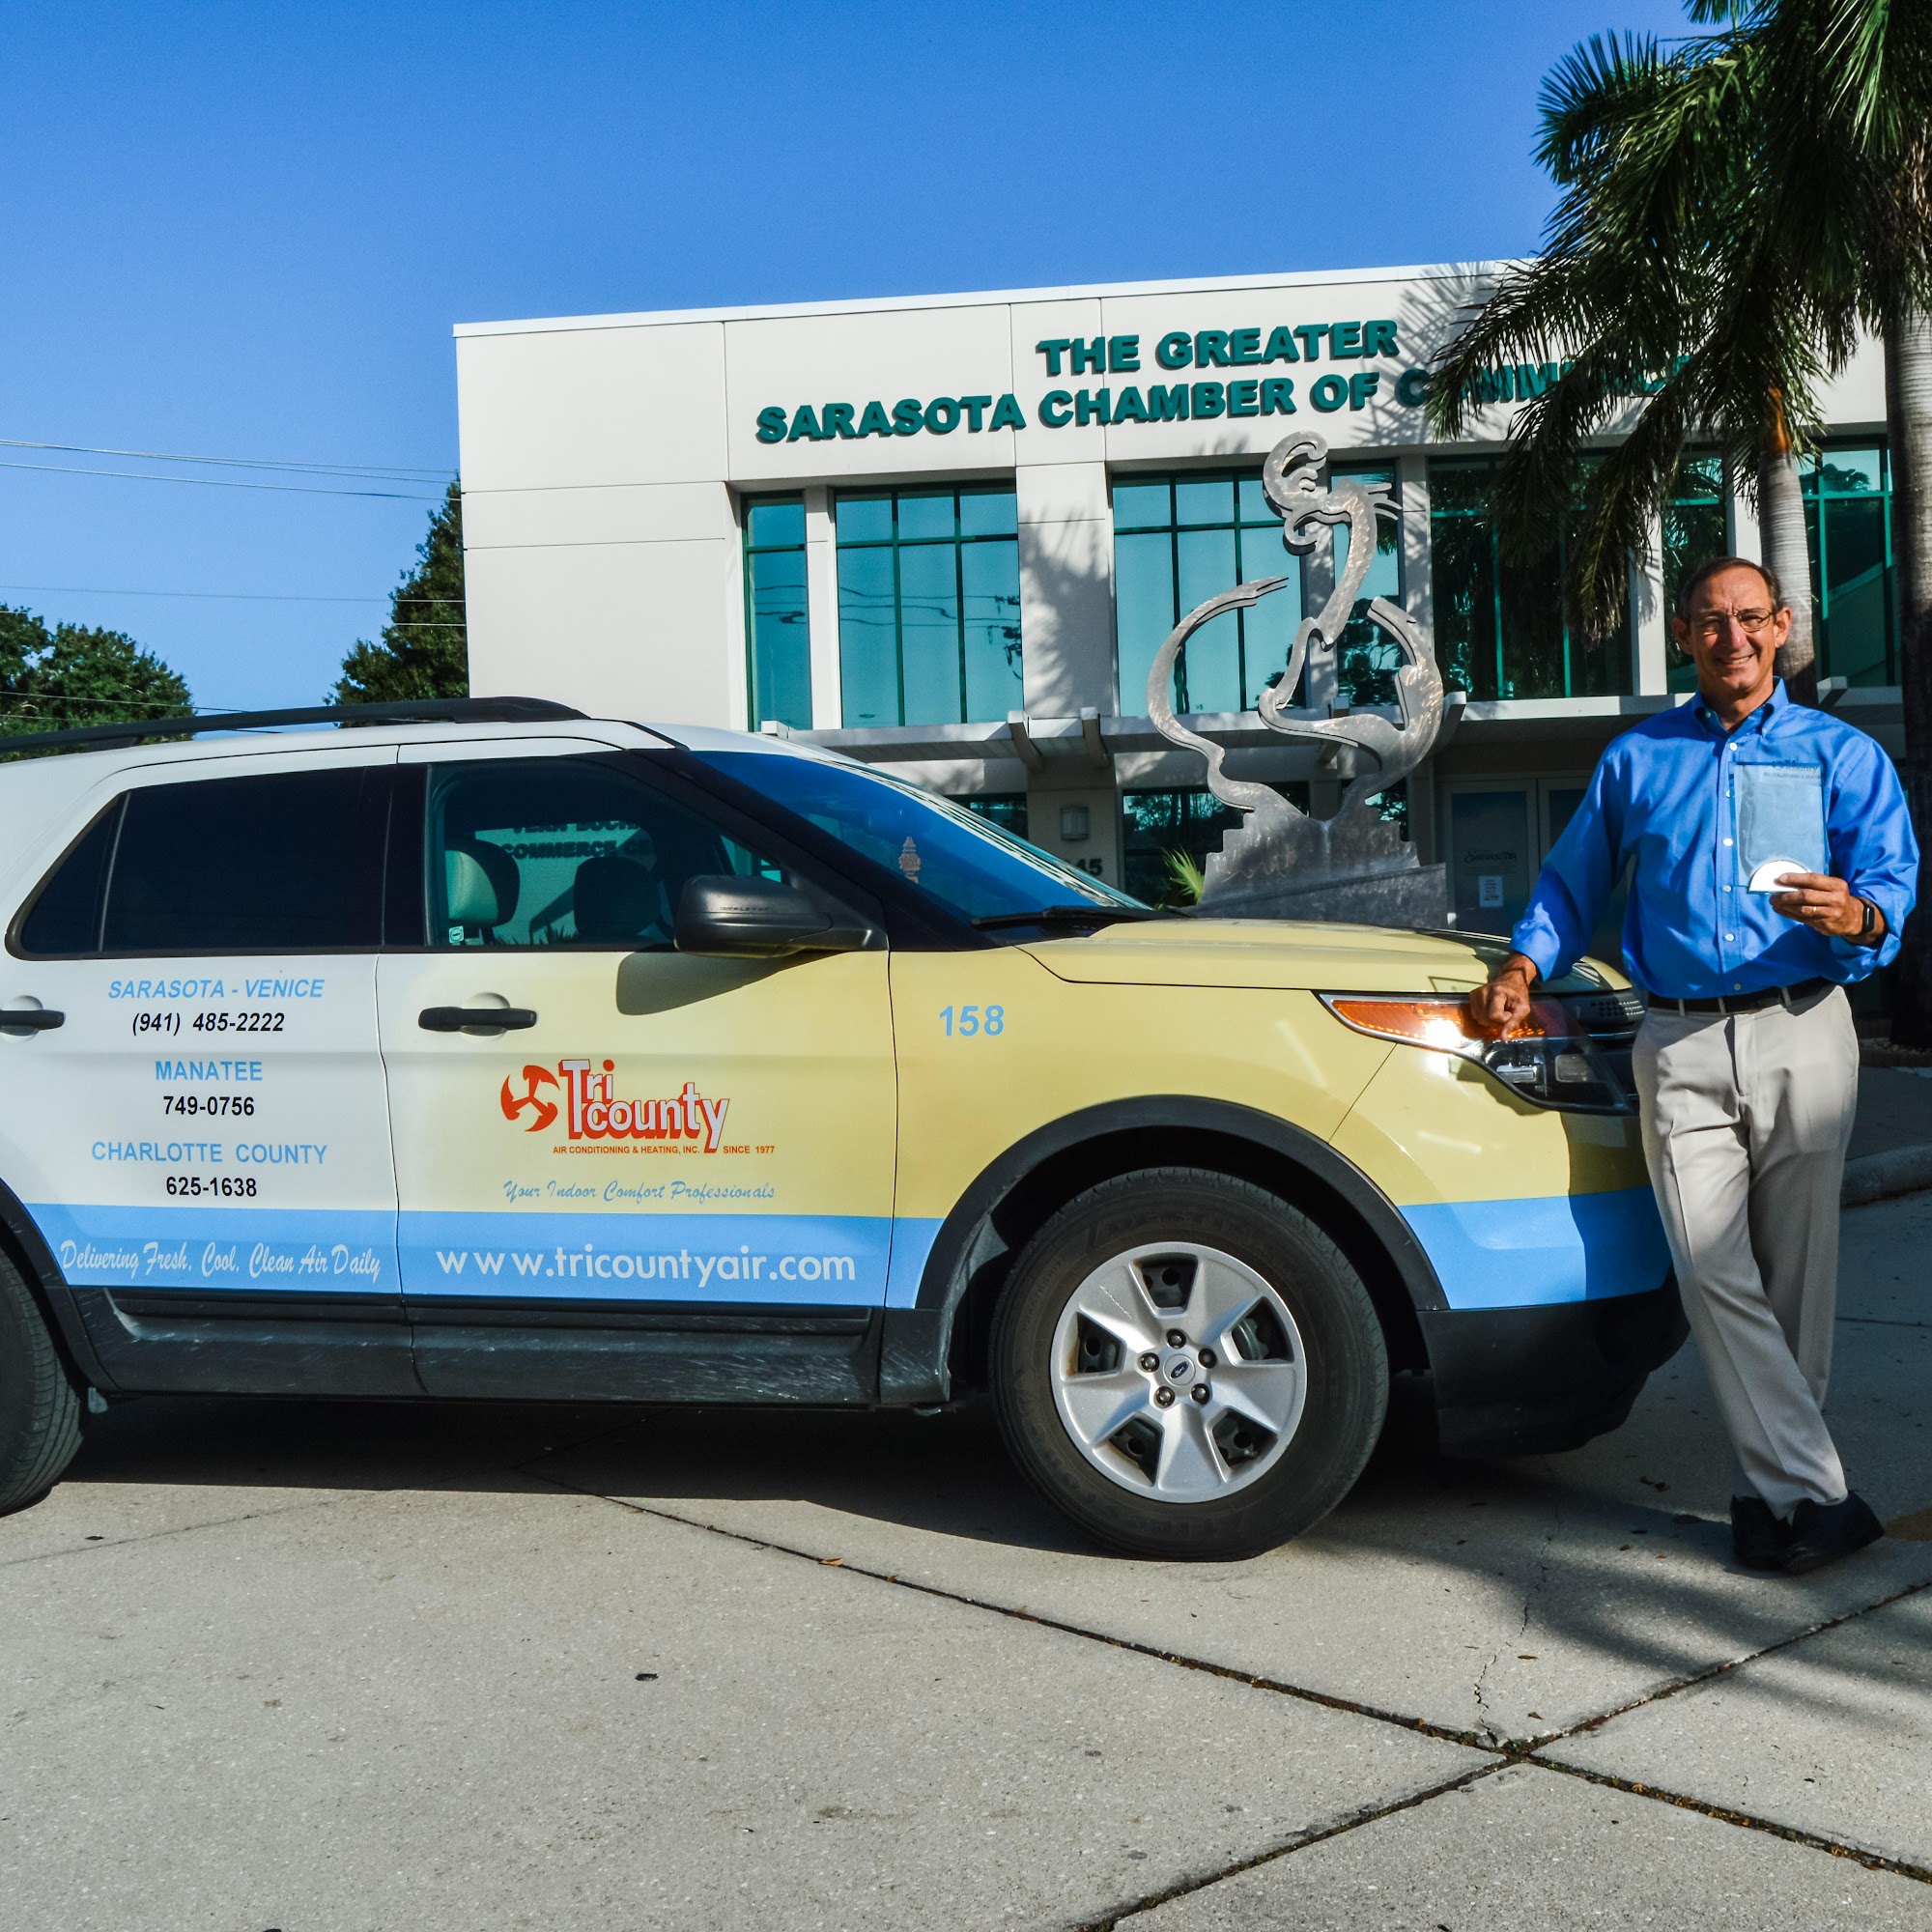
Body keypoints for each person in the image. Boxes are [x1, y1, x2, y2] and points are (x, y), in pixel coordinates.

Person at [1467, 556, 1917, 1576]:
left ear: (1781, 626)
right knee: (1711, 1268)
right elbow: (1571, 879)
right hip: (1674, 1041)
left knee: (1796, 1279)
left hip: (1802, 1028)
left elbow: (1890, 881)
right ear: (1683, 636)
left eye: (1750, 617)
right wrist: (1522, 963)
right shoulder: (1638, 758)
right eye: (1711, 621)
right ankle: (1820, 1496)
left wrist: (1858, 915)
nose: (1732, 636)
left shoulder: (1839, 753)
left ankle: (1769, 1501)